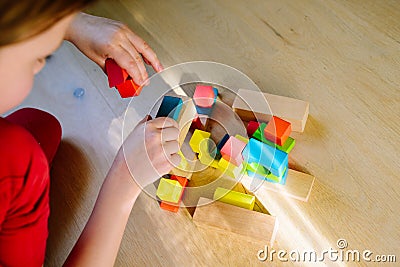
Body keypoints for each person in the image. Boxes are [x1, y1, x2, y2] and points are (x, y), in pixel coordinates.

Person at [0, 0, 181, 266]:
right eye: (38, 56)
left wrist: (71, 23)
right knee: (25, 155)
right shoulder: (16, 158)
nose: (40, 65)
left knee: (41, 126)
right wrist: (124, 179)